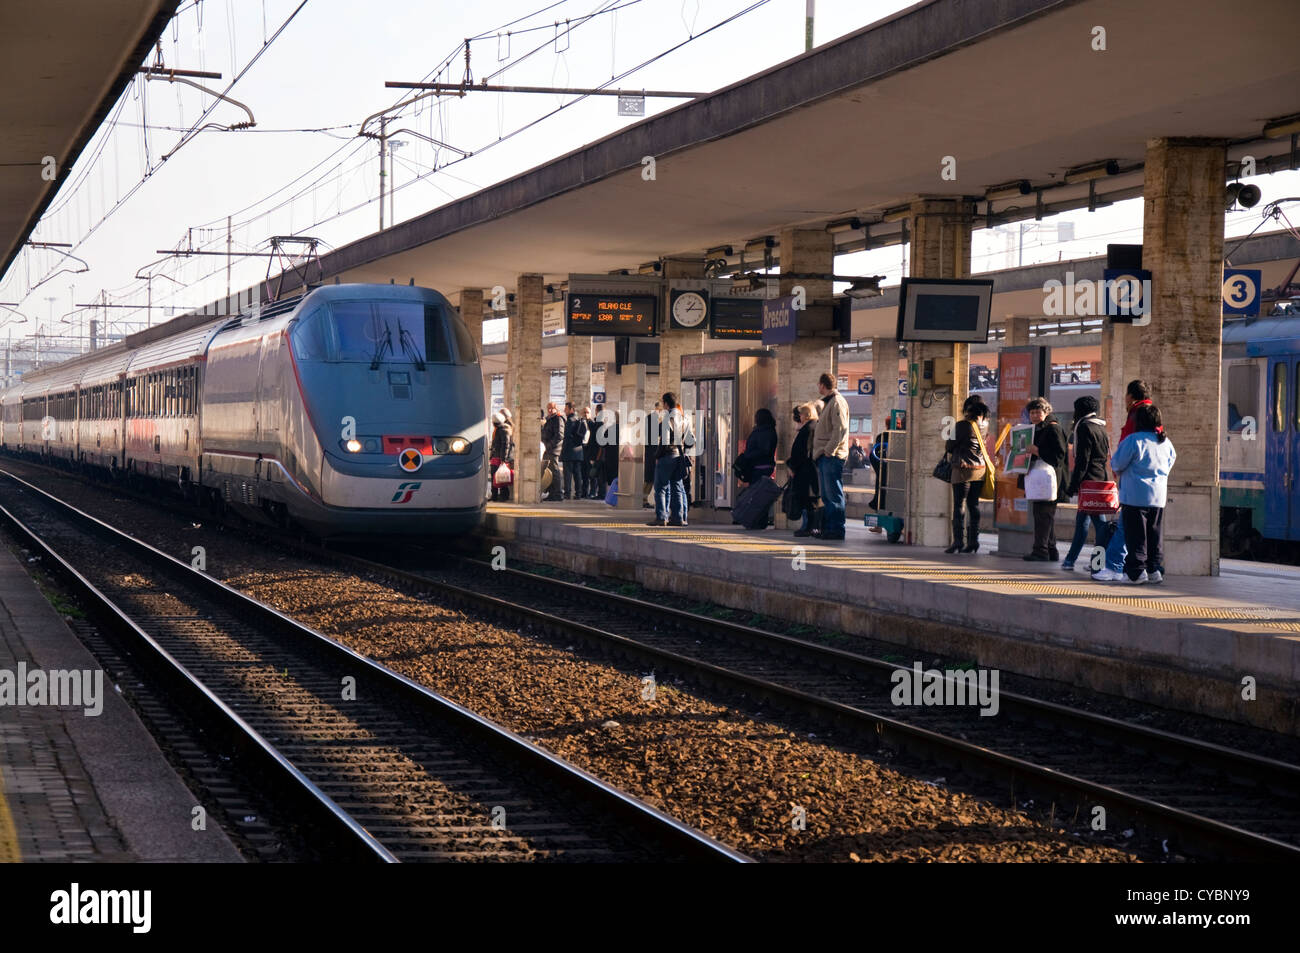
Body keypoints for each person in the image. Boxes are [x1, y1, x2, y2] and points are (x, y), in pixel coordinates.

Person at [1093, 380, 1161, 581]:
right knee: (1150, 531)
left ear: (1130, 396)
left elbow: (1121, 458)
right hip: (1156, 491)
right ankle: (1152, 569)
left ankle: (1116, 567)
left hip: (1134, 486)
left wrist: (1118, 471)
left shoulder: (1137, 418)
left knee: (1127, 527)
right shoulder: (1162, 439)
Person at [1109, 404, 1176, 584]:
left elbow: (1117, 464)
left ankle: (1136, 572)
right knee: (1154, 535)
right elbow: (1170, 464)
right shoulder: (1165, 442)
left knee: (1136, 536)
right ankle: (1154, 570)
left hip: (1134, 495)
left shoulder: (1133, 440)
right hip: (1158, 496)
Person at [1061, 395, 1111, 571]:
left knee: (1095, 524)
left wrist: (1073, 485)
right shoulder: (1101, 427)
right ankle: (1076, 560)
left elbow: (1083, 460)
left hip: (1088, 482)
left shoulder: (1083, 427)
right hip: (1100, 480)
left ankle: (1090, 562)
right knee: (1091, 523)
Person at [1023, 396, 1069, 561]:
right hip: (1040, 478)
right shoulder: (1037, 428)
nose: (1034, 415)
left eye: (1038, 412)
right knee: (1043, 514)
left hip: (1050, 479)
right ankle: (1051, 549)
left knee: (1043, 514)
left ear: (1046, 412)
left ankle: (1040, 551)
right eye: (1032, 412)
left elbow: (1059, 455)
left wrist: (1037, 451)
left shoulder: (1053, 428)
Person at [945, 397, 990, 554]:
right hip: (980, 469)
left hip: (963, 469)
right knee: (974, 504)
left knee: (959, 505)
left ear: (968, 408)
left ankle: (958, 541)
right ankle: (973, 541)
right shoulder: (985, 424)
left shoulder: (962, 425)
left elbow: (949, 446)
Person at [811, 372, 849, 541]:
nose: (818, 387)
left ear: (822, 385)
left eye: (818, 384)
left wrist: (829, 450)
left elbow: (840, 429)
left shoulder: (837, 402)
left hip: (832, 457)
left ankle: (836, 529)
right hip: (825, 456)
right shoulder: (830, 402)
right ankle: (829, 528)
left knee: (833, 494)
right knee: (827, 495)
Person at [648, 392, 688, 526]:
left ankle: (661, 517)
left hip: (667, 456)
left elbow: (664, 441)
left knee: (661, 488)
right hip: (679, 455)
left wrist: (657, 456)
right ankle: (678, 518)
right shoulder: (684, 419)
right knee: (677, 487)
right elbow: (690, 439)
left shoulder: (667, 419)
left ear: (666, 404)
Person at [786, 402, 821, 537]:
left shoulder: (807, 429)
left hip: (804, 470)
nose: (799, 416)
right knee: (811, 500)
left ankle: (808, 527)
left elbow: (800, 451)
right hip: (811, 469)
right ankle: (811, 526)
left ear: (806, 415)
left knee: (806, 499)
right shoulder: (814, 426)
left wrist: (792, 465)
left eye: (800, 414)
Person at [735, 407, 778, 487]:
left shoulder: (765, 432)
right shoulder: (767, 430)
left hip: (760, 467)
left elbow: (764, 450)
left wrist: (747, 455)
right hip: (761, 466)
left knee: (756, 491)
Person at [561, 402, 587, 500]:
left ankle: (567, 493)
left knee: (568, 474)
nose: (565, 410)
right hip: (579, 451)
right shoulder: (579, 420)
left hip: (569, 452)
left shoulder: (570, 421)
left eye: (566, 409)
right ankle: (578, 493)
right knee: (577, 474)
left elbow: (566, 436)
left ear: (571, 409)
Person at [488, 409, 514, 502]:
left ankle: (503, 496)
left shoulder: (504, 429)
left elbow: (505, 444)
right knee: (496, 476)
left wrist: (504, 458)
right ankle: (495, 495)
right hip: (496, 456)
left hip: (500, 457)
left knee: (501, 477)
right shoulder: (501, 428)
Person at [540, 402, 564, 501]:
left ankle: (557, 494)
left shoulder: (558, 419)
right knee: (549, 472)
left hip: (553, 450)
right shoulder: (549, 419)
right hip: (548, 449)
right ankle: (551, 493)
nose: (549, 410)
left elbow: (559, 435)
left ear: (556, 409)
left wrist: (549, 446)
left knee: (554, 471)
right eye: (548, 408)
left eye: (552, 408)